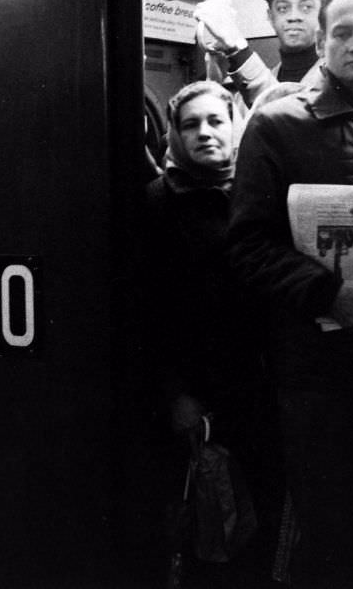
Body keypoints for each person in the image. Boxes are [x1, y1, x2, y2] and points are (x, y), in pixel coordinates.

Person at [228, 0, 353, 587]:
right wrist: (327, 294)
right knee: (328, 525)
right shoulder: (278, 125)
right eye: (342, 32)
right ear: (320, 39)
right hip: (314, 367)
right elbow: (246, 244)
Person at [139, 80, 279, 587]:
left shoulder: (258, 191)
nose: (205, 133)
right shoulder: (155, 204)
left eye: (216, 121)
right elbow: (146, 312)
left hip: (262, 388)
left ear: (237, 125)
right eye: (191, 124)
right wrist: (174, 394)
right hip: (199, 399)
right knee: (210, 531)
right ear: (174, 134)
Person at [194, 0, 327, 111]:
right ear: (270, 17)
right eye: (282, 8)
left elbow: (291, 117)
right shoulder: (245, 89)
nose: (294, 16)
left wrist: (237, 46)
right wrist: (214, 84)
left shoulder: (338, 78)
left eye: (306, 7)